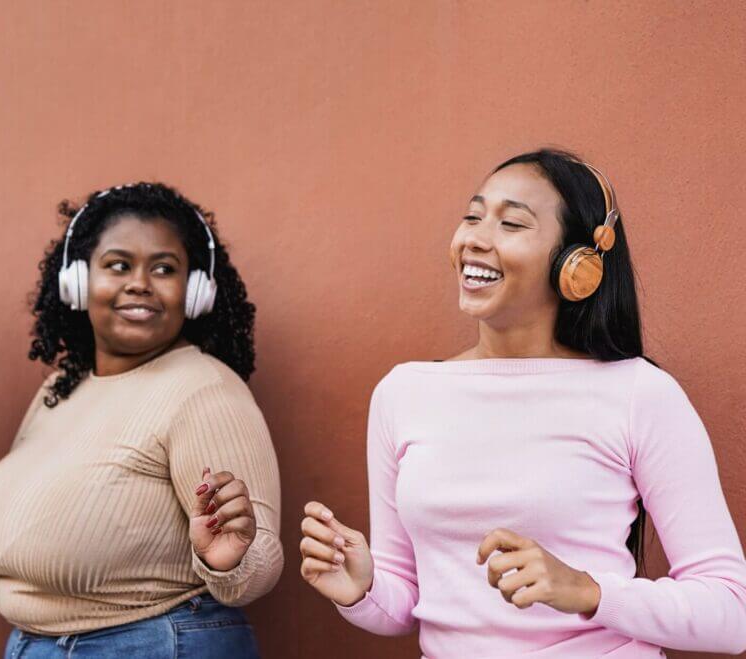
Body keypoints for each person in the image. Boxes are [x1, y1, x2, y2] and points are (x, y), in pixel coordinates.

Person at [299, 149, 746, 656]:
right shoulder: (403, 393)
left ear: (577, 264)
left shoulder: (639, 394)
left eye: (511, 223)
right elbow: (407, 604)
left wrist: (587, 590)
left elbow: (732, 614)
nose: (473, 238)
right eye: (472, 216)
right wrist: (362, 588)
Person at [0, 182, 282, 658]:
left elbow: (257, 556)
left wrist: (229, 562)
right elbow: (24, 537)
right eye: (118, 265)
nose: (140, 282)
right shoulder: (63, 388)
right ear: (78, 282)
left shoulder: (204, 391)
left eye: (164, 268)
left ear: (196, 291)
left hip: (150, 643)